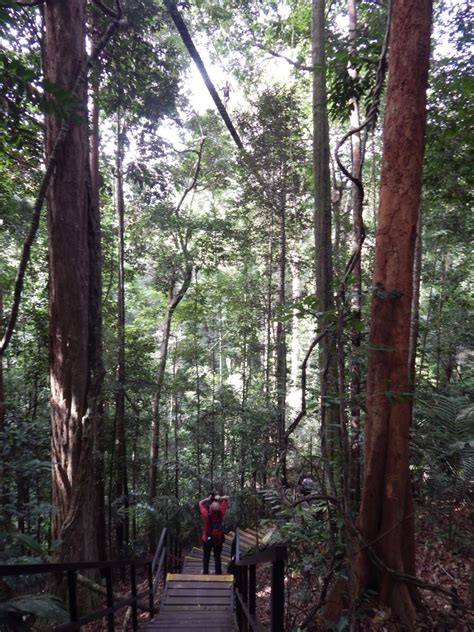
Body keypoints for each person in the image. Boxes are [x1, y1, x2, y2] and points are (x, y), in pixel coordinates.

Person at [198, 492, 229, 575]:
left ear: (210, 508)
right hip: (218, 537)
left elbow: (200, 503)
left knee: (206, 556)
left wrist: (207, 499)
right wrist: (220, 498)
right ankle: (218, 572)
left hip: (207, 538)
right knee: (217, 556)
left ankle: (205, 571)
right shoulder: (221, 512)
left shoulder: (206, 515)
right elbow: (227, 498)